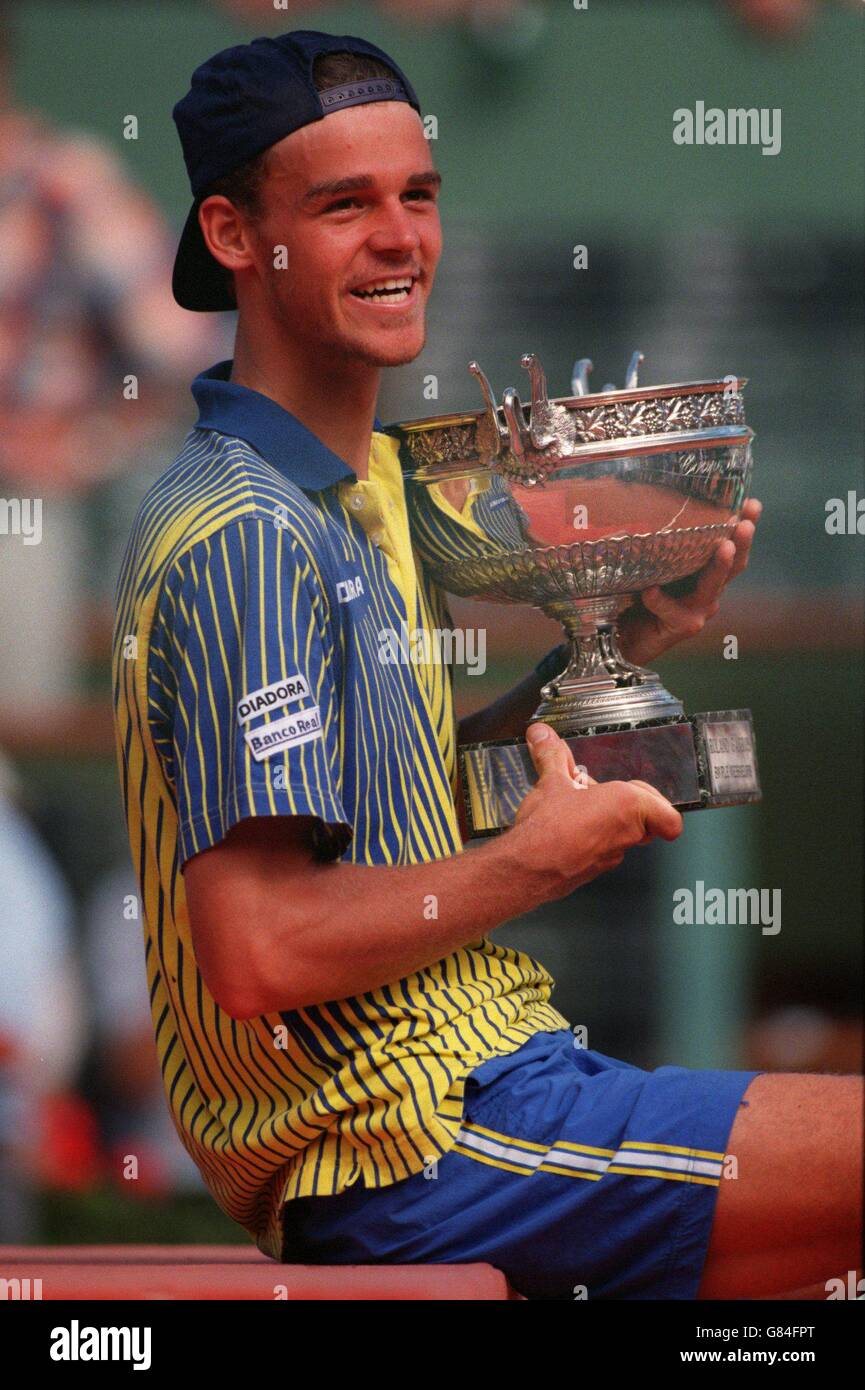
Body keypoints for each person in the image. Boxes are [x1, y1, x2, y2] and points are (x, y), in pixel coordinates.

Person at [112, 30, 861, 1298]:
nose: (400, 236)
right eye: (343, 204)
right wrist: (529, 863)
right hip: (410, 1147)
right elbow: (258, 951)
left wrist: (613, 648)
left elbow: (380, 832)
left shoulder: (373, 488)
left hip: (493, 1087)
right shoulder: (243, 534)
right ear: (236, 236)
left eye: (419, 194)